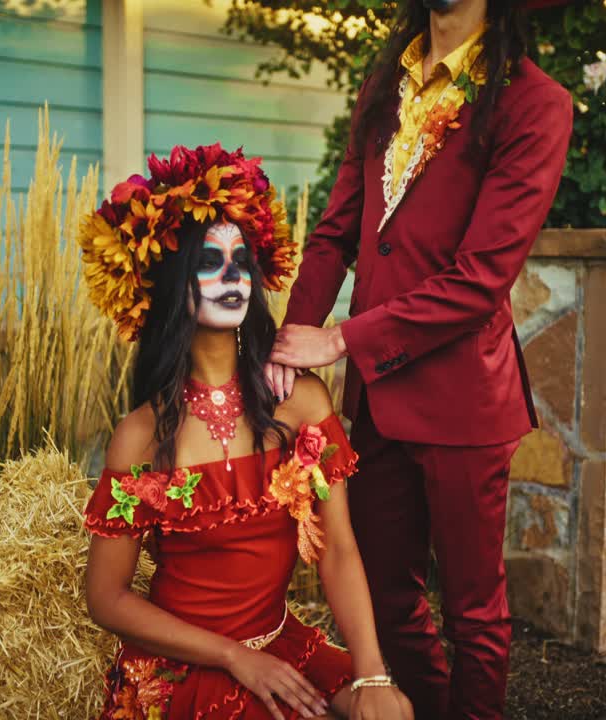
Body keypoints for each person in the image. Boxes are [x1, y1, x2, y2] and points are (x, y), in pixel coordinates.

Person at [266, 1, 573, 718]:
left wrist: (341, 338)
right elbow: (337, 231)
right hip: (374, 399)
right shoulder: (384, 86)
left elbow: (479, 281)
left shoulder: (535, 103)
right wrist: (288, 344)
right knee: (386, 593)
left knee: (474, 613)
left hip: (464, 400)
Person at [80, 144, 414, 720]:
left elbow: (338, 549)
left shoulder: (301, 403)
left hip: (281, 645)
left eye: (241, 261)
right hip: (183, 667)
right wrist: (235, 658)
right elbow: (105, 598)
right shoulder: (139, 435)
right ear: (171, 283)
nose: (233, 276)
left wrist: (372, 674)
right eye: (210, 262)